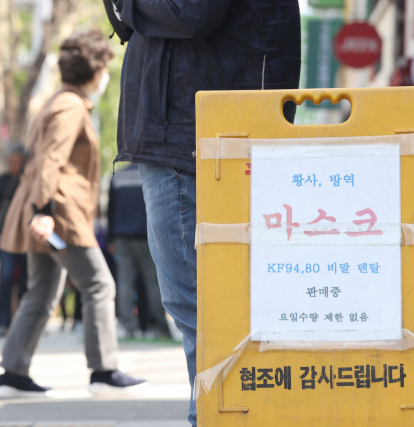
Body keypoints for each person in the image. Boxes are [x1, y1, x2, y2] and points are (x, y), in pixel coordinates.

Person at [111, 1, 302, 425]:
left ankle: (221, 418)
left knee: (200, 305)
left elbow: (191, 11)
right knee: (208, 306)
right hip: (197, 134)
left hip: (192, 138)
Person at [0, 29, 145, 398]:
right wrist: (43, 211)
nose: (105, 76)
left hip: (44, 210)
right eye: (104, 68)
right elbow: (51, 160)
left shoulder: (55, 102)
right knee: (99, 284)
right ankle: (103, 371)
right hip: (58, 213)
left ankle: (13, 374)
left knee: (41, 292)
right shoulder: (71, 107)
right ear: (94, 71)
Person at [107, 163, 169, 339]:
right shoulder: (150, 173)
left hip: (122, 237)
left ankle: (127, 326)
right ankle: (160, 327)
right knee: (153, 283)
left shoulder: (117, 176)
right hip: (146, 236)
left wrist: (111, 238)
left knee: (125, 283)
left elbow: (110, 209)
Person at [0, 144, 27, 337]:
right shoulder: (0, 182)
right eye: (12, 161)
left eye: (18, 161)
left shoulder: (29, 181)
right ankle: (2, 322)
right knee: (5, 278)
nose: (14, 164)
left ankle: (24, 322)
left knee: (27, 280)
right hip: (5, 238)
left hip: (26, 237)